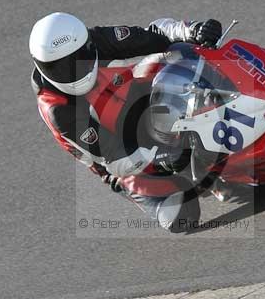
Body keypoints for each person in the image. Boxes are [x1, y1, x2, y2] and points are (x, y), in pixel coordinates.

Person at [30, 12, 222, 233]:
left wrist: (193, 30)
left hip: (144, 100)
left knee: (178, 54)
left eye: (76, 58)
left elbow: (154, 34)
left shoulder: (98, 40)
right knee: (181, 217)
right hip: (125, 159)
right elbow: (112, 156)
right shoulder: (58, 109)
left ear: (87, 46)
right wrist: (165, 155)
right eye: (59, 67)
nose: (71, 70)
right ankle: (205, 170)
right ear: (41, 66)